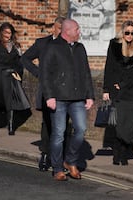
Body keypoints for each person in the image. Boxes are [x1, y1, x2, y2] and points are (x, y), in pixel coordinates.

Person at [40, 19, 95, 181]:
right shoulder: (52, 47)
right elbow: (45, 74)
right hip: (58, 98)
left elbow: (86, 72)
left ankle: (70, 161)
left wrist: (90, 95)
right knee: (58, 134)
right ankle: (57, 168)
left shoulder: (80, 48)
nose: (79, 32)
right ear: (67, 31)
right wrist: (49, 96)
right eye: (77, 29)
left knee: (81, 129)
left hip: (78, 98)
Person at [20, 16, 67, 172]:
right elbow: (25, 58)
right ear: (54, 28)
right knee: (48, 124)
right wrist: (37, 73)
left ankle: (59, 158)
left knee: (62, 125)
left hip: (65, 92)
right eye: (60, 29)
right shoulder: (42, 44)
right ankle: (46, 154)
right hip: (47, 90)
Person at [102, 20, 133, 166]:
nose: (129, 35)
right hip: (115, 91)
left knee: (127, 124)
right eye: (127, 32)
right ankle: (117, 154)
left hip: (130, 91)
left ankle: (124, 152)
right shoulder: (114, 45)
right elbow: (108, 67)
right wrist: (106, 89)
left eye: (132, 33)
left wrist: (123, 85)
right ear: (122, 32)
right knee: (117, 124)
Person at [0, 22, 31, 135]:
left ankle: (11, 126)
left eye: (10, 33)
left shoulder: (16, 47)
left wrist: (17, 73)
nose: (8, 35)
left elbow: (19, 62)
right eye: (6, 32)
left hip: (10, 76)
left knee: (10, 102)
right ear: (1, 33)